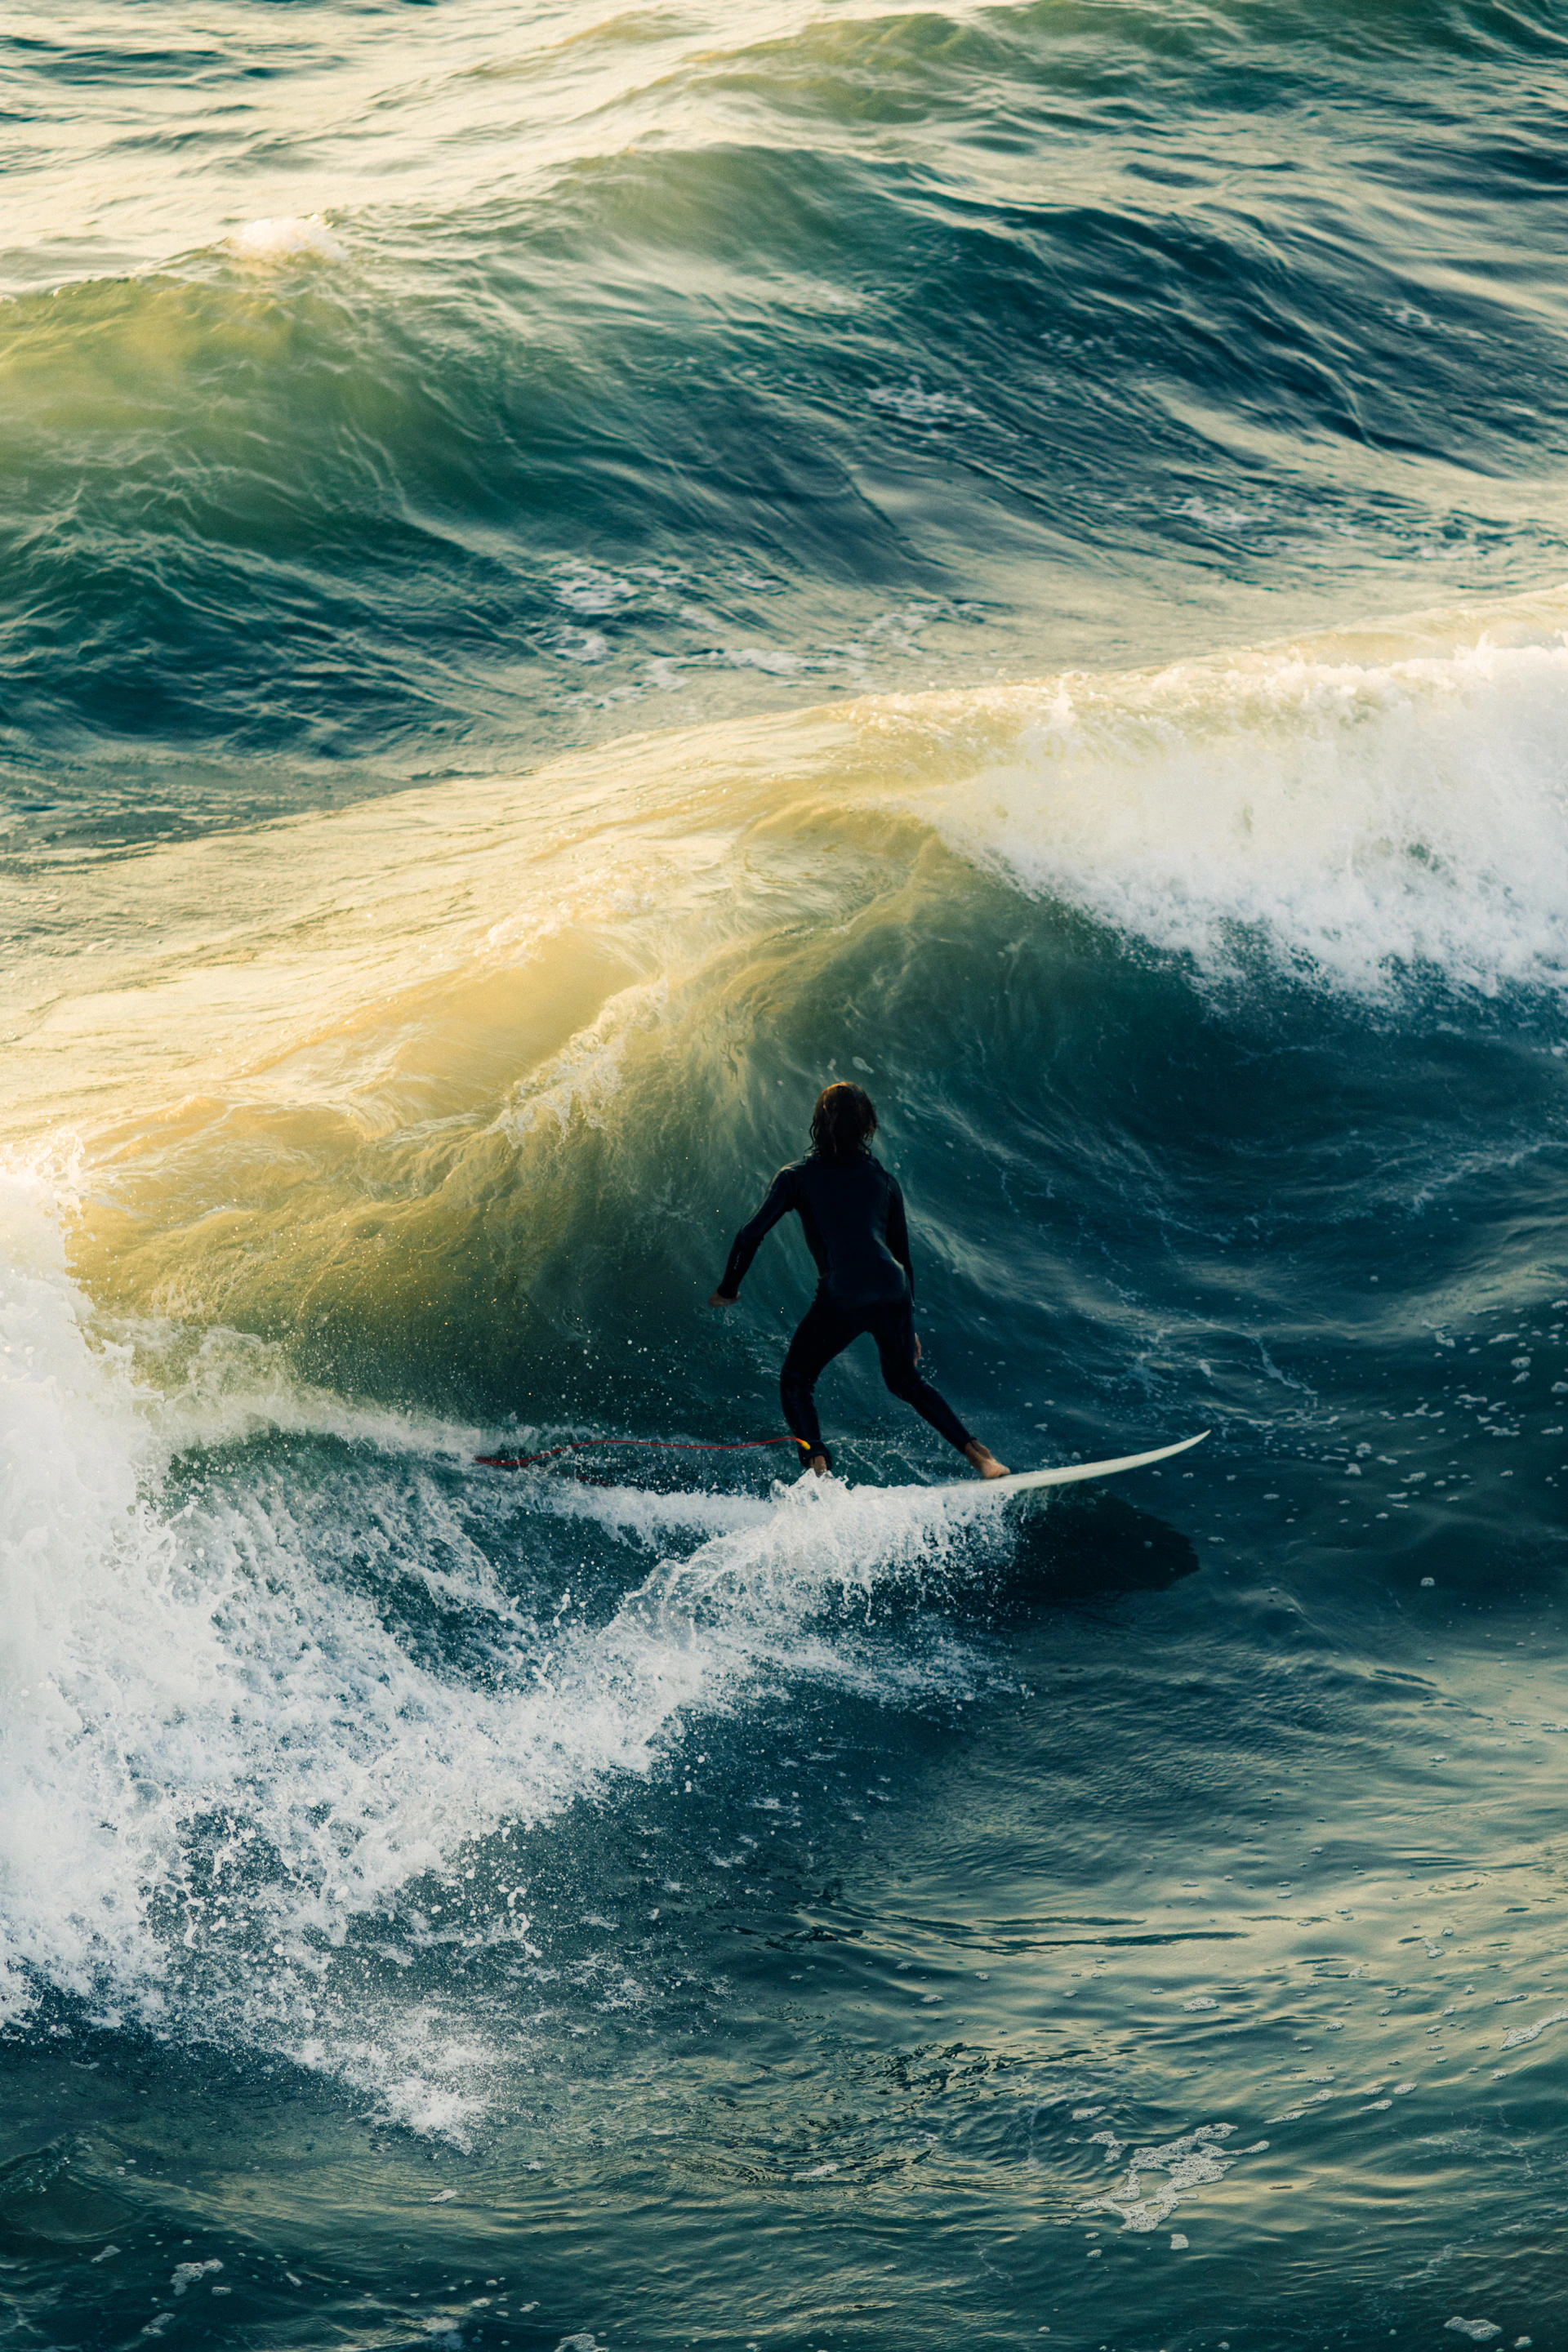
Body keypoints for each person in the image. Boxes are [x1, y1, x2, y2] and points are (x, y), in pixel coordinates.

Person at [709, 1082, 1009, 1479]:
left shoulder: (795, 1177)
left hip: (844, 1294)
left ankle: (818, 1469)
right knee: (906, 1382)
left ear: (818, 1124)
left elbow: (750, 1235)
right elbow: (902, 1256)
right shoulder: (884, 1180)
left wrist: (728, 1289)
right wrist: (909, 1325)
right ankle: (981, 1457)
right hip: (893, 1289)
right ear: (867, 1125)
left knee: (797, 1382)